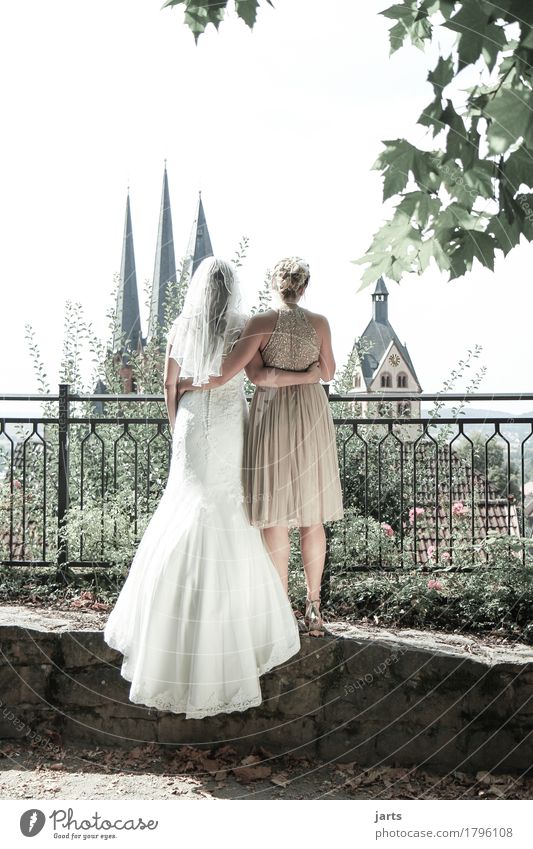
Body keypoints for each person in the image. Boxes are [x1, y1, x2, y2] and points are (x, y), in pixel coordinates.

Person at [103, 257, 319, 719]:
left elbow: (168, 384)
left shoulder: (183, 324)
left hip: (191, 422)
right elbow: (257, 376)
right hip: (227, 424)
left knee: (185, 505)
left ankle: (167, 630)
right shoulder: (246, 324)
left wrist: (176, 424)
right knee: (229, 509)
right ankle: (237, 632)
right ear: (233, 288)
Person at [180, 257, 343, 638]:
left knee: (275, 516)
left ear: (274, 284)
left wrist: (188, 385)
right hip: (311, 413)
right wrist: (307, 375)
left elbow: (256, 375)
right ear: (304, 287)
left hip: (272, 415)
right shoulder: (319, 323)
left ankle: (280, 610)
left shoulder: (259, 323)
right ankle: (314, 608)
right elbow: (329, 373)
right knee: (311, 514)